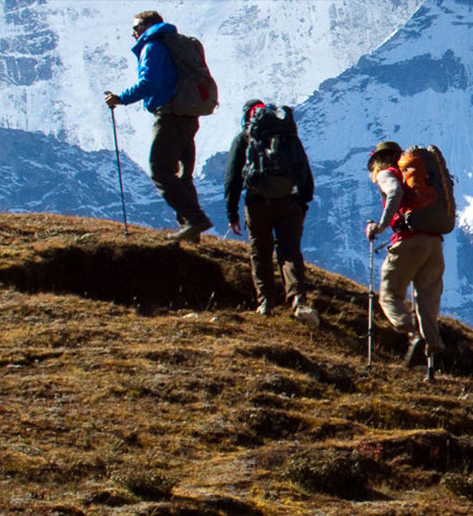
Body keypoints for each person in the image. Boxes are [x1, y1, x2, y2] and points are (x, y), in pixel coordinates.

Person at [103, 10, 212, 242]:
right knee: (183, 174)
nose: (133, 33)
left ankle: (194, 219)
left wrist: (120, 98)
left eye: (135, 28)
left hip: (170, 114)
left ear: (146, 26)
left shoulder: (152, 46)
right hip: (189, 115)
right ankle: (191, 231)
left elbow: (149, 83)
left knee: (160, 169)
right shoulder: (176, 43)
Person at [224, 100, 315, 322]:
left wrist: (232, 213)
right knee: (290, 252)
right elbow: (303, 169)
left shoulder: (244, 138)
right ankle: (298, 301)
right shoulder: (288, 136)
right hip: (289, 202)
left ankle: (265, 302)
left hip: (257, 204)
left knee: (260, 252)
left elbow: (232, 178)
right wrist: (303, 203)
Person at [366, 141, 445, 380]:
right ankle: (428, 367)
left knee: (389, 295)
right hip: (434, 244)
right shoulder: (421, 179)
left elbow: (395, 193)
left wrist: (379, 226)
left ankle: (413, 336)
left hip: (409, 241)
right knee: (427, 307)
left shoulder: (388, 173)